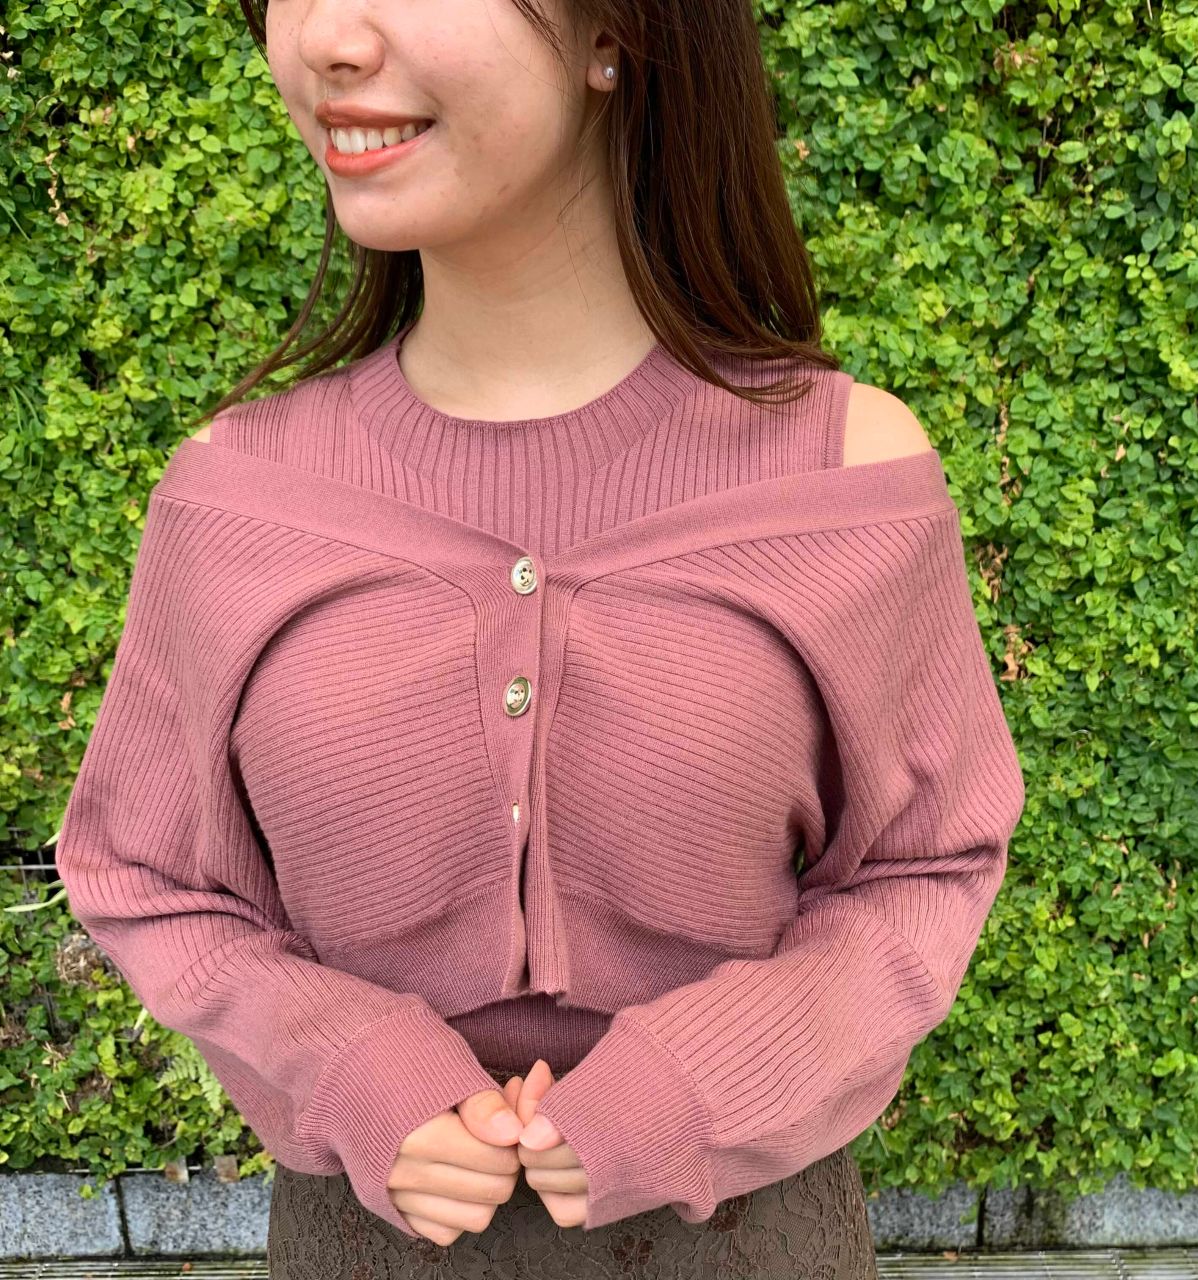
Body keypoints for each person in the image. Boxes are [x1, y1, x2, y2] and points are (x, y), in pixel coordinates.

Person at [53, 0, 1027, 1275]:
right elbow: (147, 872)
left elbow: (923, 863)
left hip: (745, 1241)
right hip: (367, 1245)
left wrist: (698, 1081)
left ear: (611, 33)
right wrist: (349, 1063)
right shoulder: (234, 494)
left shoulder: (842, 469)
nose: (326, 39)